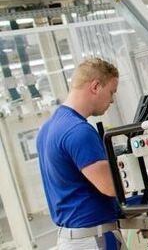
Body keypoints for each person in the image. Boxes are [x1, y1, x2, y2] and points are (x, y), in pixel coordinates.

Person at [37, 57, 124, 250]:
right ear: (95, 86)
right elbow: (111, 186)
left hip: (70, 238)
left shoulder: (47, 129)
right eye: (111, 92)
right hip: (93, 238)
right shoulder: (78, 131)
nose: (111, 100)